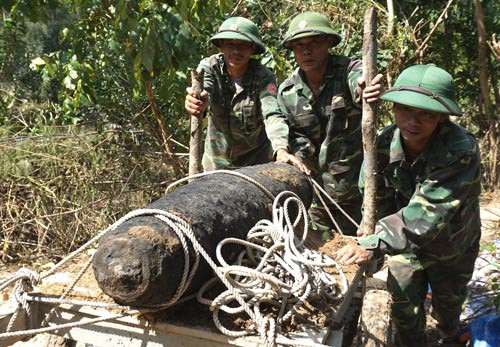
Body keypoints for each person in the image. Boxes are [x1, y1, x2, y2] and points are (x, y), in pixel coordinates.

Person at [334, 64, 482, 346]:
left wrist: (376, 242)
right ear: (393, 109)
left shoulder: (460, 150)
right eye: (406, 110)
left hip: (453, 245)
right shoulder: (382, 144)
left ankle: (447, 333)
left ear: (441, 117)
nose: (414, 121)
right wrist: (371, 245)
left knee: (448, 307)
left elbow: (428, 213)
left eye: (427, 114)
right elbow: (375, 202)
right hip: (404, 242)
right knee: (402, 300)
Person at [276, 11, 383, 236]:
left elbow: (360, 80)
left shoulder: (348, 71)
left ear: (328, 42)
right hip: (315, 200)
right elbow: (296, 138)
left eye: (314, 42)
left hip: (358, 195)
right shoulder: (287, 92)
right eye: (298, 45)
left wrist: (364, 87)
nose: (306, 50)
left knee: (366, 258)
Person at [185, 16, 306, 172]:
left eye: (243, 45)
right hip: (216, 164)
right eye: (229, 44)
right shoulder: (209, 68)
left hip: (256, 164)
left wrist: (281, 149)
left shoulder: (263, 76)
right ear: (221, 46)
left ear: (252, 49)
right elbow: (204, 92)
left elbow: (272, 113)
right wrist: (197, 102)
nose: (236, 51)